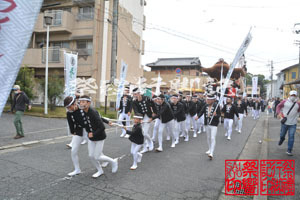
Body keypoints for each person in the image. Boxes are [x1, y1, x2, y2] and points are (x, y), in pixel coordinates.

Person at [79, 96, 118, 178]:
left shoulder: (93, 112)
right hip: (91, 136)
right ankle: (100, 170)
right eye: (80, 102)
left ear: (88, 103)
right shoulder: (82, 112)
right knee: (91, 155)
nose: (81, 103)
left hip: (99, 136)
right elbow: (100, 118)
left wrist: (93, 134)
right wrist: (108, 121)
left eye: (83, 102)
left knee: (97, 156)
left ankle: (113, 161)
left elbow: (102, 127)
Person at [64, 96, 91, 176]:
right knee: (73, 151)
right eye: (67, 107)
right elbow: (70, 123)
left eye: (69, 106)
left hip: (88, 130)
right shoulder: (69, 113)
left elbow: (94, 117)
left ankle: (104, 160)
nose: (68, 108)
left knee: (94, 151)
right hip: (78, 131)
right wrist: (72, 131)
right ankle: (77, 169)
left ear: (74, 103)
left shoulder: (82, 108)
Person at [196, 93, 221, 159]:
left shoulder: (216, 106)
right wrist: (198, 116)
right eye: (207, 99)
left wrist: (216, 115)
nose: (208, 101)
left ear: (213, 100)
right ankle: (210, 149)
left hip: (214, 124)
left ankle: (212, 153)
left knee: (213, 138)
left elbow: (219, 115)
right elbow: (201, 112)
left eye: (209, 100)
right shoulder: (205, 105)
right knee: (208, 137)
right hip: (207, 124)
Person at [276, 90, 300, 156]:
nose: (293, 96)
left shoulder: (298, 104)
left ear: (296, 96)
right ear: (289, 95)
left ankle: (289, 150)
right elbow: (278, 106)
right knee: (282, 135)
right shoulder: (285, 101)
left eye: (294, 95)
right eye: (292, 95)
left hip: (293, 123)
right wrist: (278, 113)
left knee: (291, 136)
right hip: (285, 122)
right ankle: (282, 139)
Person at [132, 88, 154, 153]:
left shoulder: (147, 98)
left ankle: (150, 142)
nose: (135, 95)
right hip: (141, 117)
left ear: (139, 93)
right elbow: (136, 111)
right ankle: (145, 147)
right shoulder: (134, 101)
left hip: (148, 116)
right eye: (134, 94)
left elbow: (153, 105)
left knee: (144, 133)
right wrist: (139, 119)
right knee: (142, 133)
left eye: (136, 94)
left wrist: (153, 116)